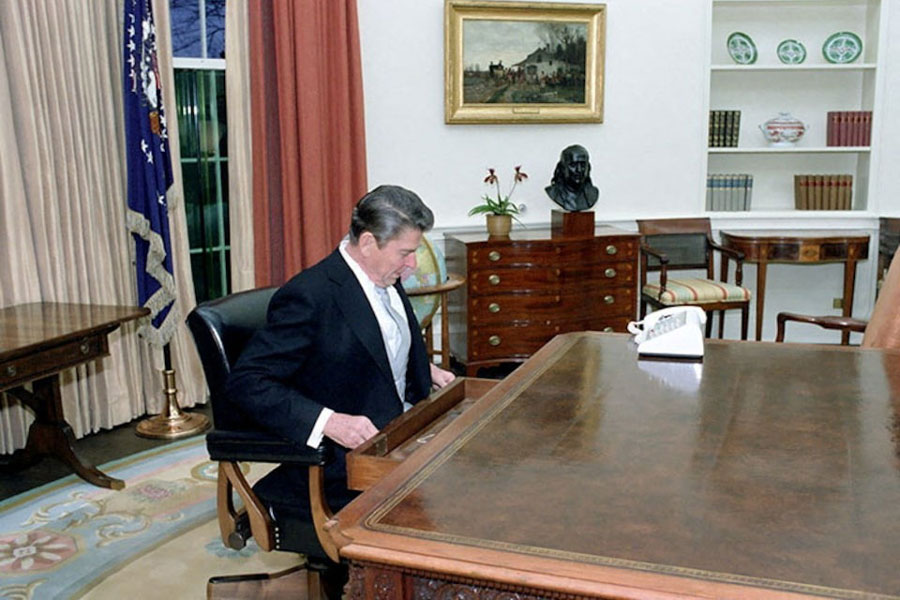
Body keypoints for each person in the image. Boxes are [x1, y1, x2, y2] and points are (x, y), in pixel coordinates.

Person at [225, 185, 455, 590]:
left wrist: (425, 368)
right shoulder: (310, 295)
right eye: (405, 253)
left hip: (395, 434)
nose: (413, 264)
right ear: (367, 243)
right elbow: (247, 382)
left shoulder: (383, 275)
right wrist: (330, 422)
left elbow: (376, 346)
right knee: (456, 510)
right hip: (340, 464)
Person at [545, 144, 600, 212]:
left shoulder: (592, 194)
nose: (579, 170)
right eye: (573, 165)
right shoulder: (554, 192)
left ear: (588, 167)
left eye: (583, 165)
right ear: (562, 168)